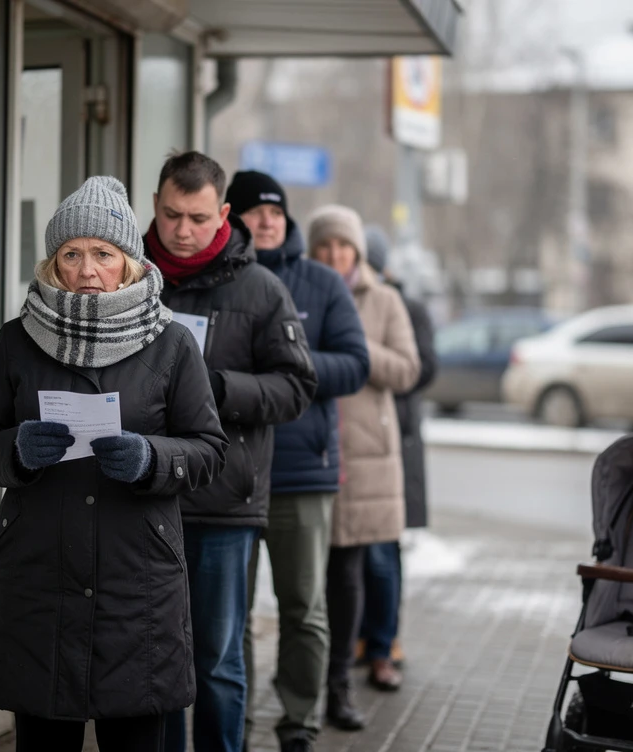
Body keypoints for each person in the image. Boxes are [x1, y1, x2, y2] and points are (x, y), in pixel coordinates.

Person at [0, 176, 228, 752]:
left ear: (128, 264)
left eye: (103, 254)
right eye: (72, 254)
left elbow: (209, 450)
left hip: (137, 585)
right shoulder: (16, 341)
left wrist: (152, 457)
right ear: (52, 263)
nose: (87, 270)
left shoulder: (172, 343)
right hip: (38, 576)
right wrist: (15, 452)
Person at [145, 152, 318, 752]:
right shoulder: (129, 275)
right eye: (170, 215)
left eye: (196, 217)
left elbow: (298, 387)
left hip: (222, 503)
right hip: (141, 494)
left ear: (222, 213)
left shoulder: (261, 288)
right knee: (154, 658)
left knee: (216, 661)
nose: (182, 230)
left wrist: (217, 388)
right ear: (155, 205)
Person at [227, 171, 370, 752]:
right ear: (230, 217)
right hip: (227, 472)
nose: (268, 220)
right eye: (255, 211)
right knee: (226, 614)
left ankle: (299, 722)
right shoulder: (220, 283)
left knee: (304, 608)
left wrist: (290, 364)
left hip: (301, 473)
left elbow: (356, 364)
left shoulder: (321, 283)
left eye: (276, 211)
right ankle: (231, 720)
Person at [306, 206, 419, 731]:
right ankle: (312, 679)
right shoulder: (301, 292)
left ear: (357, 251)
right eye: (325, 246)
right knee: (313, 579)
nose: (334, 256)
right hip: (313, 450)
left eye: (343, 247)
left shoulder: (386, 299)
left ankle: (353, 673)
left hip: (368, 457)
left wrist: (357, 346)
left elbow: (407, 369)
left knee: (357, 571)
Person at [355, 225, 439, 691]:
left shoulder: (408, 307)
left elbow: (423, 367)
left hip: (393, 442)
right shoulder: (340, 300)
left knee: (384, 551)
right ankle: (361, 638)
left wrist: (368, 357)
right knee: (352, 555)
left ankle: (386, 640)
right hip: (352, 444)